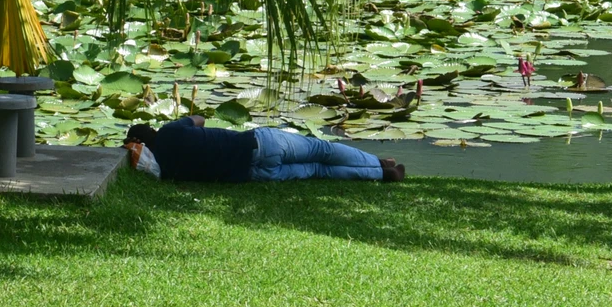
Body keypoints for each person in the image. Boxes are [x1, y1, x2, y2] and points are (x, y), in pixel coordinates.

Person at [123, 116, 405, 183]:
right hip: (260, 145)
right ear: (151, 134)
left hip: (253, 174)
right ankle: (379, 162)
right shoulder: (171, 131)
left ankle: (382, 176)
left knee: (319, 170)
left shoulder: (166, 171)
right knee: (323, 150)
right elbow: (200, 120)